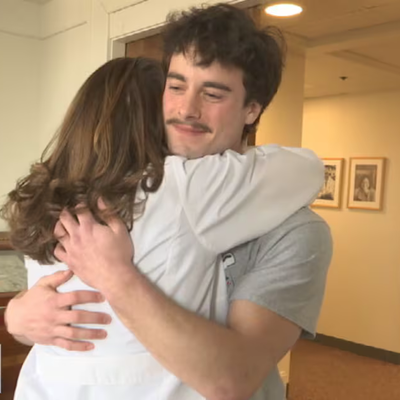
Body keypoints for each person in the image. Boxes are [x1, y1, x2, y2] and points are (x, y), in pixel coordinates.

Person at [4, 4, 332, 400]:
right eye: (175, 87)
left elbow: (234, 379)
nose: (186, 109)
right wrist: (19, 316)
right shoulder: (152, 190)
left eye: (212, 93)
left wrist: (116, 277)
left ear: (252, 109)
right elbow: (307, 166)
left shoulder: (295, 232)